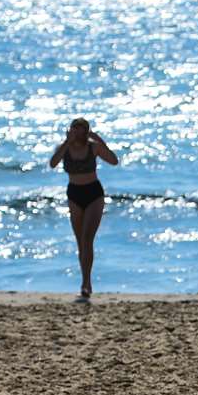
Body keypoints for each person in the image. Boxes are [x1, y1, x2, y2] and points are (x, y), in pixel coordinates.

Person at [48, 118, 119, 299]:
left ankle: (86, 283)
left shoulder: (92, 146)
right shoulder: (65, 148)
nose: (78, 133)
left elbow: (113, 160)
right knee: (81, 242)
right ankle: (85, 279)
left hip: (93, 193)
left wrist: (99, 139)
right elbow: (53, 163)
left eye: (81, 130)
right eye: (75, 129)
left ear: (86, 131)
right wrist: (66, 142)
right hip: (74, 194)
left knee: (88, 238)